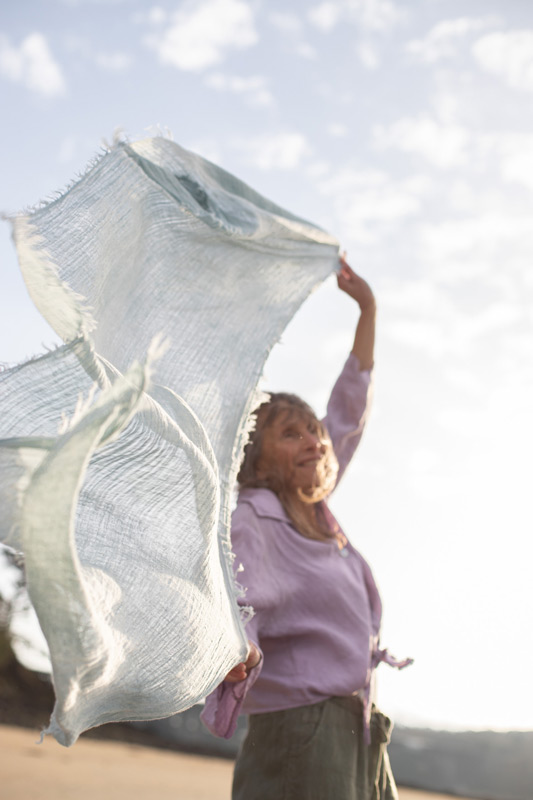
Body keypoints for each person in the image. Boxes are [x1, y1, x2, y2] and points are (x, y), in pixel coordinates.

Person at [201, 255, 411, 800]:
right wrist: (239, 649)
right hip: (303, 733)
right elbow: (237, 600)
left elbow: (347, 413)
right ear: (255, 453)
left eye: (314, 433)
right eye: (291, 434)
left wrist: (367, 311)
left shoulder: (314, 513)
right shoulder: (254, 517)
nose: (315, 442)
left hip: (359, 727)